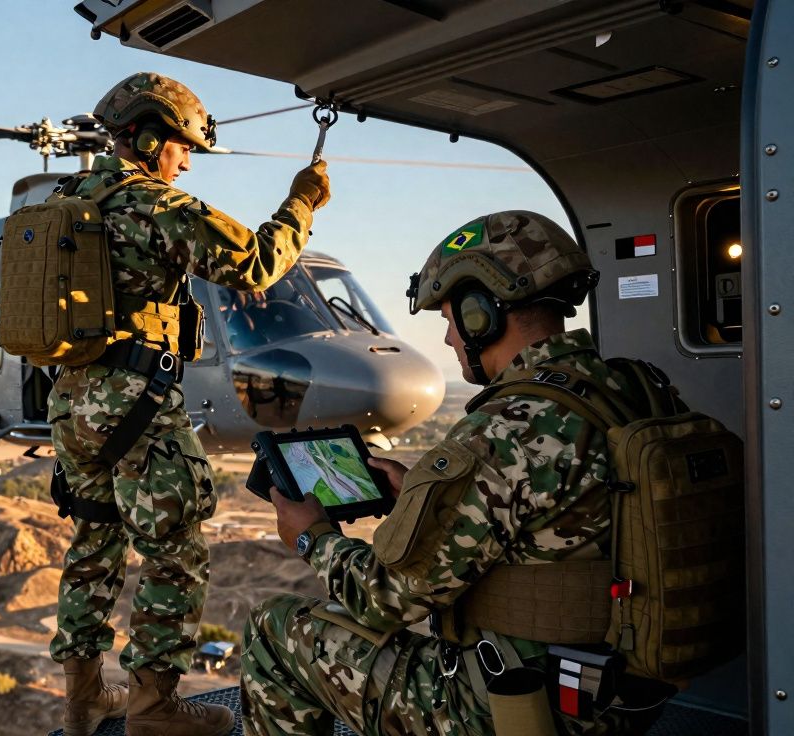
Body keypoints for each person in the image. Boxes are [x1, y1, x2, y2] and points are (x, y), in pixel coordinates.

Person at [240, 210, 661, 735]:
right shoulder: (637, 388)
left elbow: (382, 600)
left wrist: (312, 538)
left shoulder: (507, 428)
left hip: (516, 707)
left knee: (276, 628)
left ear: (480, 312)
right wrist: (422, 499)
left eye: (447, 319)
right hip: (624, 694)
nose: (447, 341)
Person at [50, 72, 330, 736]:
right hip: (137, 406)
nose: (186, 160)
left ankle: (85, 699)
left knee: (93, 541)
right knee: (175, 551)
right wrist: (304, 201)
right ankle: (152, 712)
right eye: (182, 147)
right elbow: (259, 263)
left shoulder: (69, 201)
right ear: (147, 137)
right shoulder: (154, 205)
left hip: (73, 407)